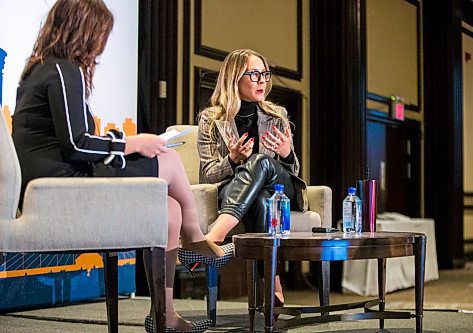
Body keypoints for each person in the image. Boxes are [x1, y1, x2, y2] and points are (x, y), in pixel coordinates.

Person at [11, 1, 231, 332]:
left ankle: (165, 315)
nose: (102, 45)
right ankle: (196, 236)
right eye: (101, 34)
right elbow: (76, 144)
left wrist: (120, 143)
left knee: (168, 209)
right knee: (168, 159)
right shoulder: (62, 69)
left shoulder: (42, 69)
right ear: (83, 30)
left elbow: (70, 141)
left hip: (54, 181)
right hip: (60, 185)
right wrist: (132, 143)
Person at [194, 49, 309, 312]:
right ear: (234, 78)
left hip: (280, 187)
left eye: (265, 74)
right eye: (254, 74)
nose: (262, 81)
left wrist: (287, 153)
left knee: (260, 162)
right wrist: (232, 161)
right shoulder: (211, 120)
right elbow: (208, 174)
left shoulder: (277, 115)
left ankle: (214, 238)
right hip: (240, 192)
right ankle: (274, 288)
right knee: (260, 202)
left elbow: (294, 169)